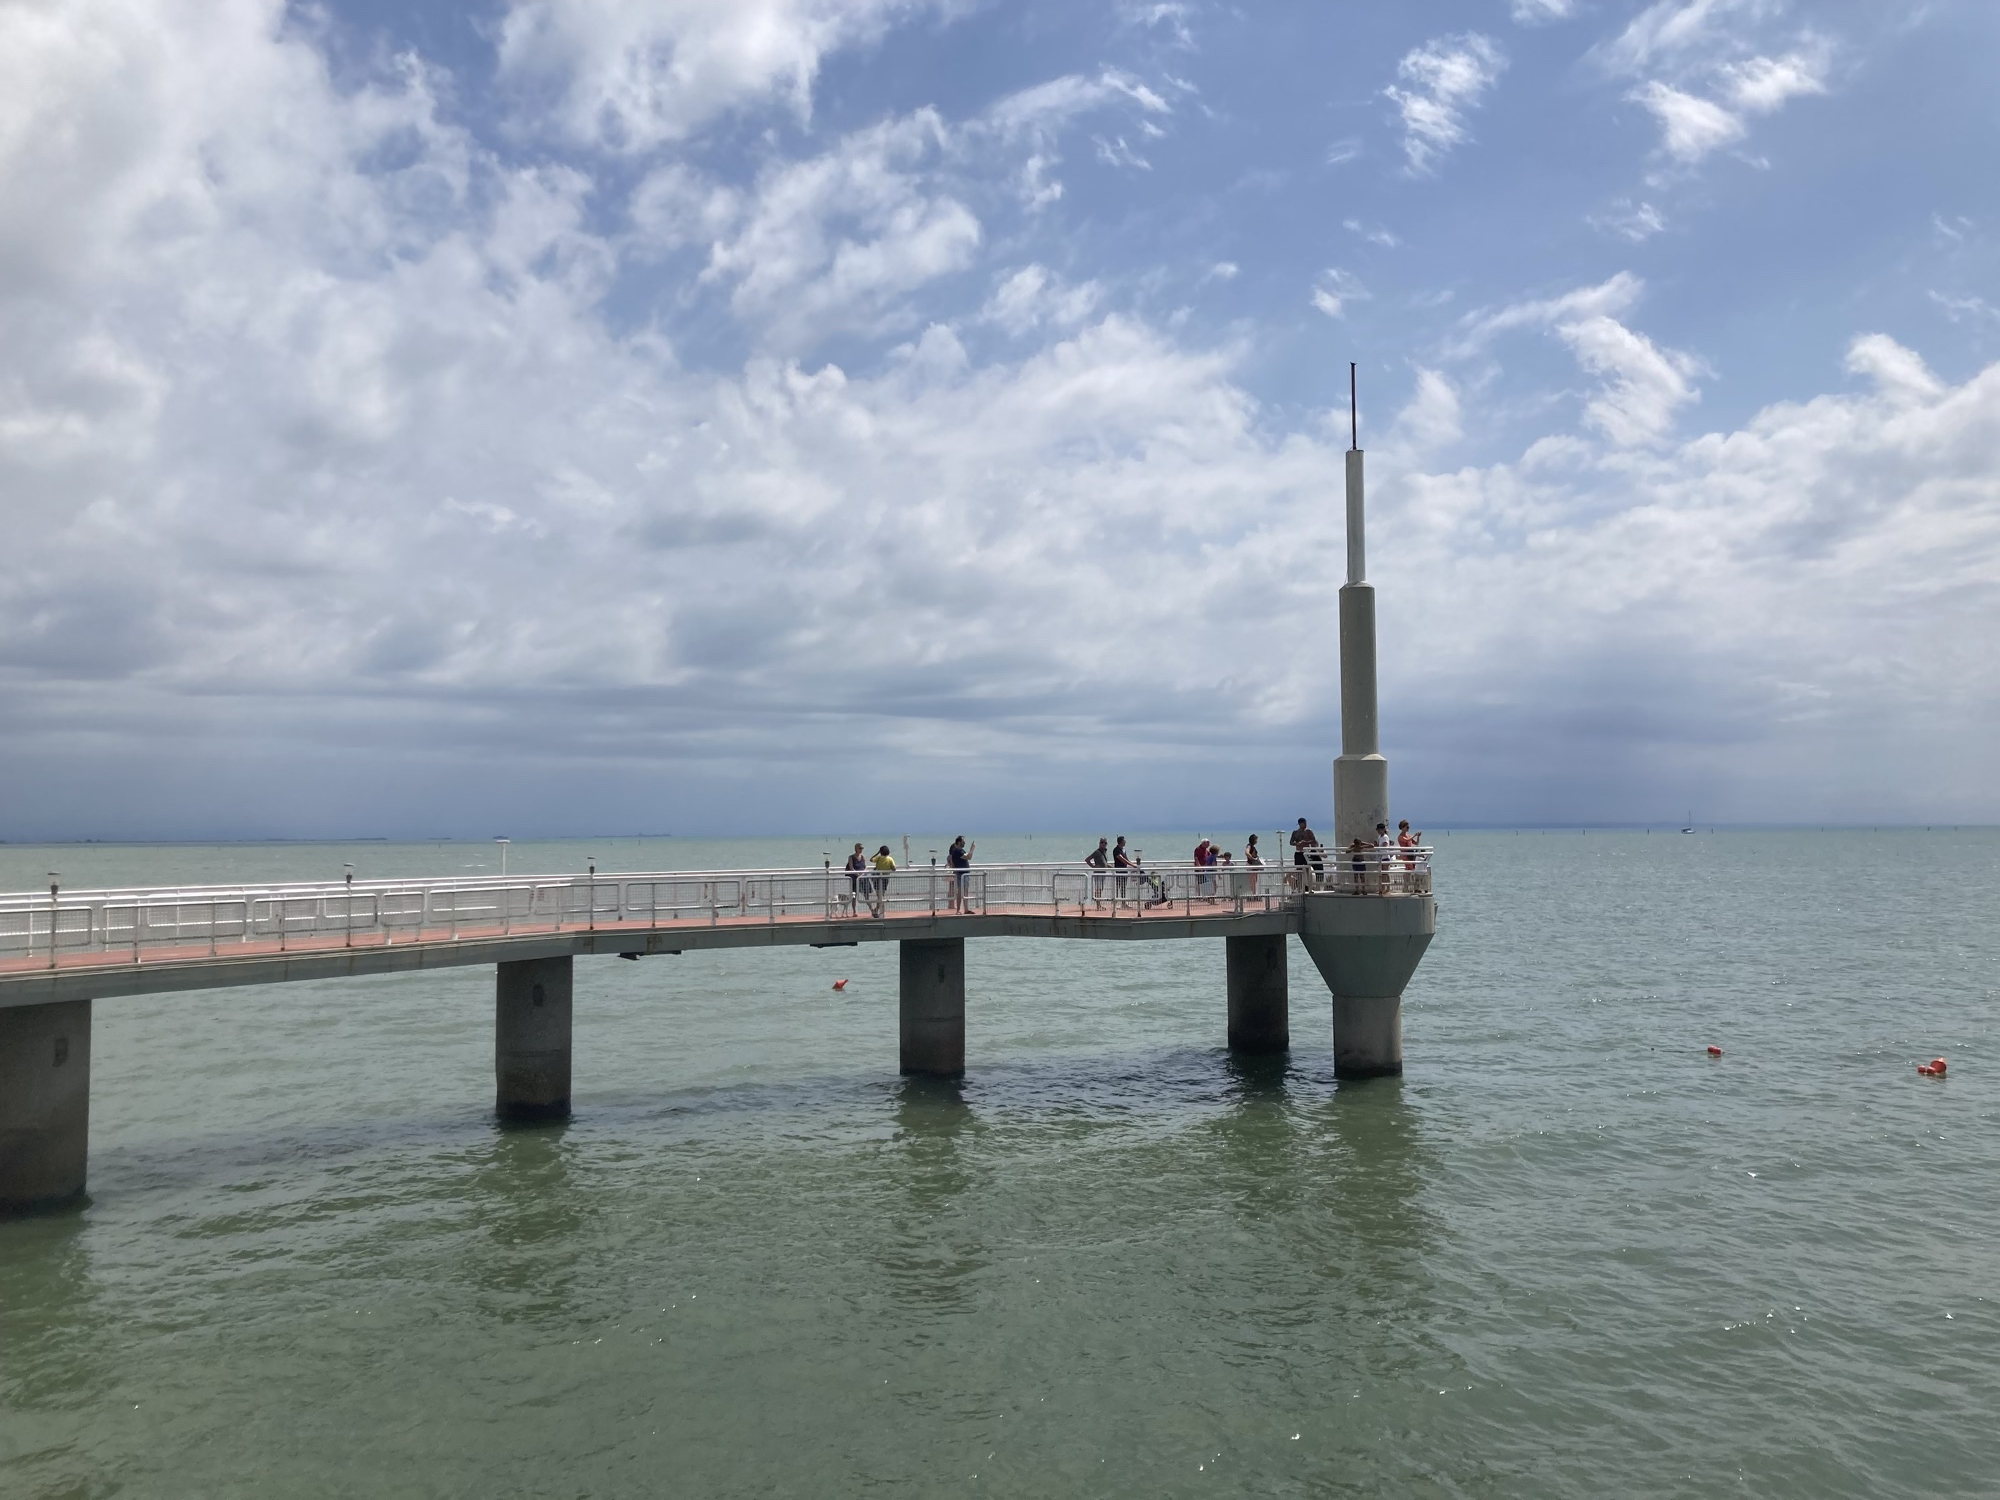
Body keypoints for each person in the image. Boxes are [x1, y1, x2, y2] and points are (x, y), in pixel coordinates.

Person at [1291, 818, 1323, 888]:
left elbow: (1313, 840)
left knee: (1308, 869)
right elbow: (1291, 842)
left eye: (1306, 823)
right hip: (1298, 852)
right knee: (1299, 869)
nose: (1305, 825)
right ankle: (1300, 886)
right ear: (1300, 824)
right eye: (1304, 823)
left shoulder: (1308, 831)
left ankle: (1309, 886)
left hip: (1306, 852)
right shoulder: (1295, 832)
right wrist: (1297, 843)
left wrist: (1305, 842)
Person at [946, 835, 973, 912]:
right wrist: (972, 849)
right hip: (961, 874)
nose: (964, 843)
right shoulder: (957, 851)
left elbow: (968, 857)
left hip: (964, 874)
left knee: (965, 892)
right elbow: (968, 857)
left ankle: (966, 909)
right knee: (961, 892)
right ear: (959, 842)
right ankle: (959, 909)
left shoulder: (961, 850)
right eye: (963, 841)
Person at [868, 844, 896, 916]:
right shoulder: (890, 859)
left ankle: (878, 910)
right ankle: (880, 911)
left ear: (880, 852)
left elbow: (871, 859)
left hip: (877, 878)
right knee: (881, 896)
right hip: (885, 879)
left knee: (879, 896)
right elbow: (894, 869)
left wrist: (877, 853)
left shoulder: (879, 858)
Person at [1084, 837, 1110, 906]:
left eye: (1105, 843)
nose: (1103, 844)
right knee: (1098, 889)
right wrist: (1093, 867)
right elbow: (1087, 860)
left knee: (1100, 889)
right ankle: (1098, 904)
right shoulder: (1097, 852)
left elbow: (1105, 863)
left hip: (1103, 873)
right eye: (1102, 842)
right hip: (1098, 873)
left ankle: (1099, 903)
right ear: (1099, 843)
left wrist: (1113, 867)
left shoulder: (1105, 852)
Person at [842, 843, 866, 915]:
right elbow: (851, 867)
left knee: (866, 894)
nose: (861, 850)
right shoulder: (851, 857)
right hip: (854, 878)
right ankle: (854, 911)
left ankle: (872, 909)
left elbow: (865, 867)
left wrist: (863, 873)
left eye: (862, 848)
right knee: (854, 895)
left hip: (862, 878)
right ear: (856, 849)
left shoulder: (863, 857)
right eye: (859, 848)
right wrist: (857, 874)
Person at [1112, 836, 1131, 901]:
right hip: (1119, 871)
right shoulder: (1116, 850)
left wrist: (1133, 864)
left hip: (1124, 871)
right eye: (1124, 840)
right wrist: (1133, 865)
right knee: (1117, 887)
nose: (1125, 841)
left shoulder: (1123, 850)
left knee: (1123, 887)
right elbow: (1122, 859)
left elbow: (1127, 859)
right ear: (1121, 841)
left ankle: (1123, 902)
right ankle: (1116, 902)